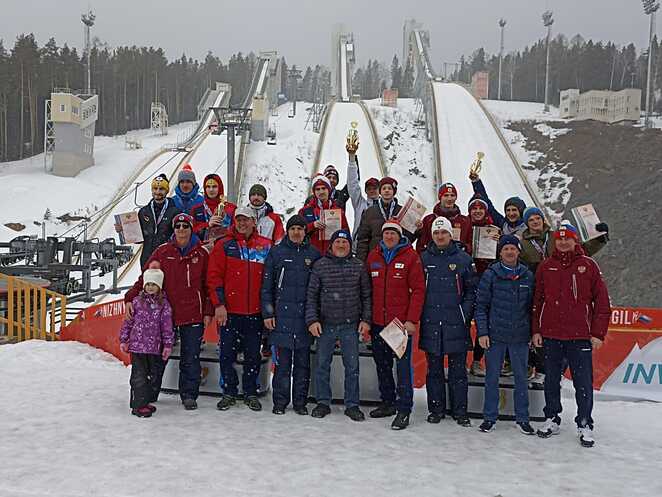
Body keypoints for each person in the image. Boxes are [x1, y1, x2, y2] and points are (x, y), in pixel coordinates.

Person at [532, 222, 611, 447]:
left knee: (583, 383)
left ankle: (585, 423)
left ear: (575, 240)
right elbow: (537, 302)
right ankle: (552, 417)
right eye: (559, 239)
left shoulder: (589, 265)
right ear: (555, 242)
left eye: (568, 238)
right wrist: (536, 330)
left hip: (580, 336)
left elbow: (602, 302)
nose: (563, 242)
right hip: (551, 335)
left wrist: (597, 333)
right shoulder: (546, 267)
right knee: (551, 381)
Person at [125, 213, 213, 411]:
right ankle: (151, 391)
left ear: (191, 229)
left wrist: (208, 310)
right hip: (166, 313)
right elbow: (146, 277)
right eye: (178, 226)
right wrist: (131, 296)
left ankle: (189, 394)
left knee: (190, 357)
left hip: (193, 313)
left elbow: (208, 285)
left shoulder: (201, 254)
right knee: (157, 356)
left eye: (185, 226)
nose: (181, 229)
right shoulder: (163, 252)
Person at [208, 207, 273, 412]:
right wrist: (219, 304)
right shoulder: (224, 245)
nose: (242, 224)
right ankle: (229, 391)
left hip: (254, 313)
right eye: (239, 220)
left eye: (246, 220)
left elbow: (270, 280)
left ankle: (250, 392)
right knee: (227, 354)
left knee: (253, 356)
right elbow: (214, 277)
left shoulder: (265, 246)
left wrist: (267, 310)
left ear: (254, 222)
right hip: (230, 312)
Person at [305, 229, 372, 422]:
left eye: (345, 243)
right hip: (325, 325)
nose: (341, 246)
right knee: (322, 366)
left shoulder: (359, 266)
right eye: (337, 243)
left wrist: (366, 320)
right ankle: (322, 402)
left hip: (350, 325)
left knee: (352, 367)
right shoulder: (320, 266)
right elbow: (311, 296)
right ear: (331, 245)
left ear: (350, 246)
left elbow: (366, 296)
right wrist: (312, 320)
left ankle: (352, 405)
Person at [365, 220, 425, 430]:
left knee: (402, 368)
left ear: (399, 236)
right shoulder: (374, 256)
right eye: (386, 233)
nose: (389, 237)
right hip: (378, 323)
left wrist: (411, 320)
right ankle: (388, 402)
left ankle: (404, 408)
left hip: (398, 324)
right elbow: (367, 290)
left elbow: (418, 290)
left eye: (393, 233)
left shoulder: (410, 257)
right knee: (382, 366)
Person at [475, 235, 535, 434]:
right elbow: (481, 306)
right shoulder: (491, 274)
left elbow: (533, 308)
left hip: (519, 336)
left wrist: (534, 333)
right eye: (505, 249)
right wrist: (482, 332)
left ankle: (523, 418)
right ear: (500, 252)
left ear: (518, 251)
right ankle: (489, 417)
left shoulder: (527, 276)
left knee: (521, 379)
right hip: (495, 336)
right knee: (492, 378)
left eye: (513, 248)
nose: (509, 252)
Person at [261, 215, 321, 415]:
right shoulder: (277, 253)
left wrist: (316, 317)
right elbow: (267, 287)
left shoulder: (313, 254)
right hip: (281, 318)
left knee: (303, 366)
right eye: (293, 228)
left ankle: (300, 403)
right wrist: (268, 313)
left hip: (305, 319)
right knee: (282, 365)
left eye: (300, 229)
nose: (296, 232)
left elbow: (320, 289)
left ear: (305, 232)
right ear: (288, 230)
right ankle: (280, 402)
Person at [419, 217, 476, 426]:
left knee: (458, 371)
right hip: (432, 322)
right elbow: (417, 291)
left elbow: (471, 290)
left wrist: (464, 314)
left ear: (451, 235)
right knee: (433, 369)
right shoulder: (424, 259)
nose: (440, 236)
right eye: (436, 233)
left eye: (443, 233)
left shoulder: (462, 259)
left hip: (456, 323)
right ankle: (436, 409)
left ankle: (460, 411)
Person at [119, 268, 174, 418]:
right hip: (137, 347)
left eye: (153, 284)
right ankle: (138, 405)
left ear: (159, 286)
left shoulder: (164, 305)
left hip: (153, 347)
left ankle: (143, 401)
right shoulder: (137, 302)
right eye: (147, 284)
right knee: (139, 376)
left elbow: (166, 326)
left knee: (151, 375)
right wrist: (124, 339)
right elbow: (128, 322)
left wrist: (168, 345)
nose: (150, 287)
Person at [116, 173, 180, 269]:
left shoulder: (174, 211)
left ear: (167, 191)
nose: (158, 192)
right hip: (147, 259)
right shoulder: (144, 211)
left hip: (167, 259)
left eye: (161, 189)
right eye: (155, 188)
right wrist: (125, 230)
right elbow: (139, 237)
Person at [466, 194, 497, 377]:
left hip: (485, 279)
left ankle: (478, 360)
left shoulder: (492, 229)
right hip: (467, 279)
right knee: (463, 320)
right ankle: (462, 359)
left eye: (480, 208)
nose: (477, 211)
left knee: (483, 322)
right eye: (474, 208)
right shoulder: (464, 227)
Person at [355, 177, 414, 261]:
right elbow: (363, 239)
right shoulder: (370, 212)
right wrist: (361, 262)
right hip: (376, 256)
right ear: (380, 191)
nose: (386, 191)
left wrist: (417, 229)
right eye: (384, 188)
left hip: (397, 257)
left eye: (389, 188)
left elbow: (408, 237)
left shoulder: (402, 211)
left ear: (394, 191)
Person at [299, 174, 349, 255]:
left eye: (323, 188)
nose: (321, 192)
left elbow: (345, 233)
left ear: (329, 190)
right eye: (317, 189)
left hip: (332, 255)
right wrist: (312, 225)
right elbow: (297, 232)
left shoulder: (338, 211)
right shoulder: (305, 211)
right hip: (310, 254)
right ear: (314, 192)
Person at [415, 182, 472, 254]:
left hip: (458, 261)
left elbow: (471, 245)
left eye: (452, 195)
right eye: (446, 195)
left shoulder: (465, 221)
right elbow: (421, 246)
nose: (449, 198)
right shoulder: (428, 220)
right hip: (434, 261)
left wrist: (464, 248)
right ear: (440, 197)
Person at [469, 171, 527, 238]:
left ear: (520, 211)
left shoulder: (528, 226)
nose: (511, 213)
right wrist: (476, 182)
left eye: (514, 210)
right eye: (508, 210)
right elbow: (488, 204)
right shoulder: (503, 224)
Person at [190, 173, 236, 243]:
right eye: (208, 187)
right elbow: (190, 231)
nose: (211, 190)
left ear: (220, 187)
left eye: (214, 186)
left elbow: (237, 230)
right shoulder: (196, 209)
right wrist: (207, 225)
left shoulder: (231, 209)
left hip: (224, 249)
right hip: (202, 249)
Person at [346, 150, 380, 239]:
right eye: (369, 189)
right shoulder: (360, 204)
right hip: (358, 246)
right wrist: (352, 159)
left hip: (377, 247)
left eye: (374, 188)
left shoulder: (385, 207)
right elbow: (353, 184)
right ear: (365, 191)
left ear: (379, 190)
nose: (372, 191)